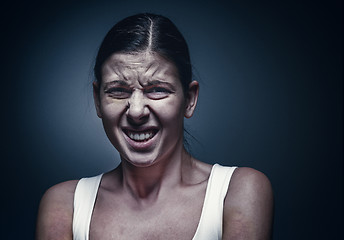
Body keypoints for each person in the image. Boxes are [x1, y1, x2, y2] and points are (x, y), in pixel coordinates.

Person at [35, 13, 273, 240]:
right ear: (98, 100)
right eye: (118, 91)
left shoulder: (238, 191)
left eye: (157, 90)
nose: (136, 111)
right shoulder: (66, 204)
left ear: (189, 99)